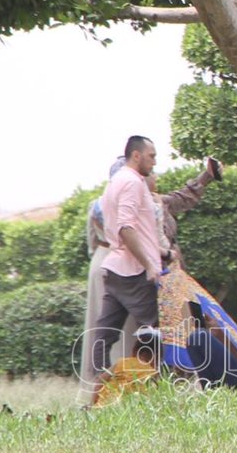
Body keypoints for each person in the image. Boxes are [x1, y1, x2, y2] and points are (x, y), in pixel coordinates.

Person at [78, 155, 222, 404]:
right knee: (151, 332)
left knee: (122, 332)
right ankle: (125, 389)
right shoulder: (130, 204)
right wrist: (160, 258)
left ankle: (115, 389)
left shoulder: (144, 201)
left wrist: (206, 176)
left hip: (120, 266)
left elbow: (183, 197)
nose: (153, 176)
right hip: (140, 270)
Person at [88, 137, 167, 404]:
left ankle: (98, 388)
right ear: (136, 155)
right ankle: (156, 392)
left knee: (105, 331)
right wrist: (149, 264)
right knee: (158, 331)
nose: (154, 161)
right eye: (151, 156)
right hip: (133, 271)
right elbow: (125, 227)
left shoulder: (116, 181)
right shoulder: (133, 182)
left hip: (115, 267)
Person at [93, 325, 162, 407]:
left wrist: (92, 404)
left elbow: (99, 382)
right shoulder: (152, 373)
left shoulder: (122, 363)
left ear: (135, 349)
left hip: (105, 405)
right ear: (157, 356)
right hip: (128, 410)